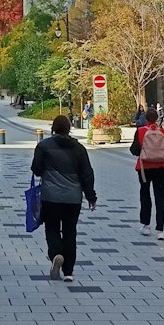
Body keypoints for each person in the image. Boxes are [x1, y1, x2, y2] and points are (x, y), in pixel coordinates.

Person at [32, 114, 96, 281]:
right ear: (69, 128)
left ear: (53, 128)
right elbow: (87, 174)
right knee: (70, 232)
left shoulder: (44, 146)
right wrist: (91, 196)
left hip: (50, 196)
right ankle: (68, 271)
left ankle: (56, 255)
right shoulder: (79, 148)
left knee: (52, 228)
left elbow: (36, 169)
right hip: (73, 198)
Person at [130, 106, 164, 240]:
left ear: (145, 118)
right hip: (161, 167)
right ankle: (160, 230)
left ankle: (146, 225)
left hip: (144, 167)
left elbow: (134, 150)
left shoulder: (141, 131)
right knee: (161, 198)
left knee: (145, 194)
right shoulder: (163, 132)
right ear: (157, 118)